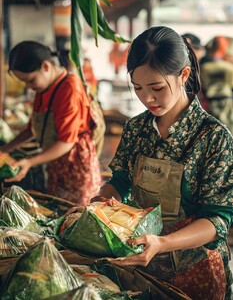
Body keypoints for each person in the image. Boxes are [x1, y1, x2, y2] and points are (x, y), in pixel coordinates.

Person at [91, 26, 233, 299]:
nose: (147, 98)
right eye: (138, 88)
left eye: (156, 88)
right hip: (140, 263)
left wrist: (163, 243)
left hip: (196, 270)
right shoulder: (136, 128)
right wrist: (96, 206)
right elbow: (119, 183)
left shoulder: (213, 137)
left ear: (184, 75)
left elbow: (216, 219)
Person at [2, 41, 101, 205]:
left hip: (76, 162)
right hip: (54, 159)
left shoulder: (70, 88)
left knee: (75, 211)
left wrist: (29, 162)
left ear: (46, 66)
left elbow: (66, 142)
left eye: (31, 80)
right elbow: (31, 129)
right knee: (56, 206)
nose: (28, 87)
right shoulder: (43, 87)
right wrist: (5, 150)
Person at [200, 36, 233, 134]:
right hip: (227, 103)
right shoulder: (229, 68)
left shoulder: (202, 66)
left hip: (208, 103)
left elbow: (202, 85)